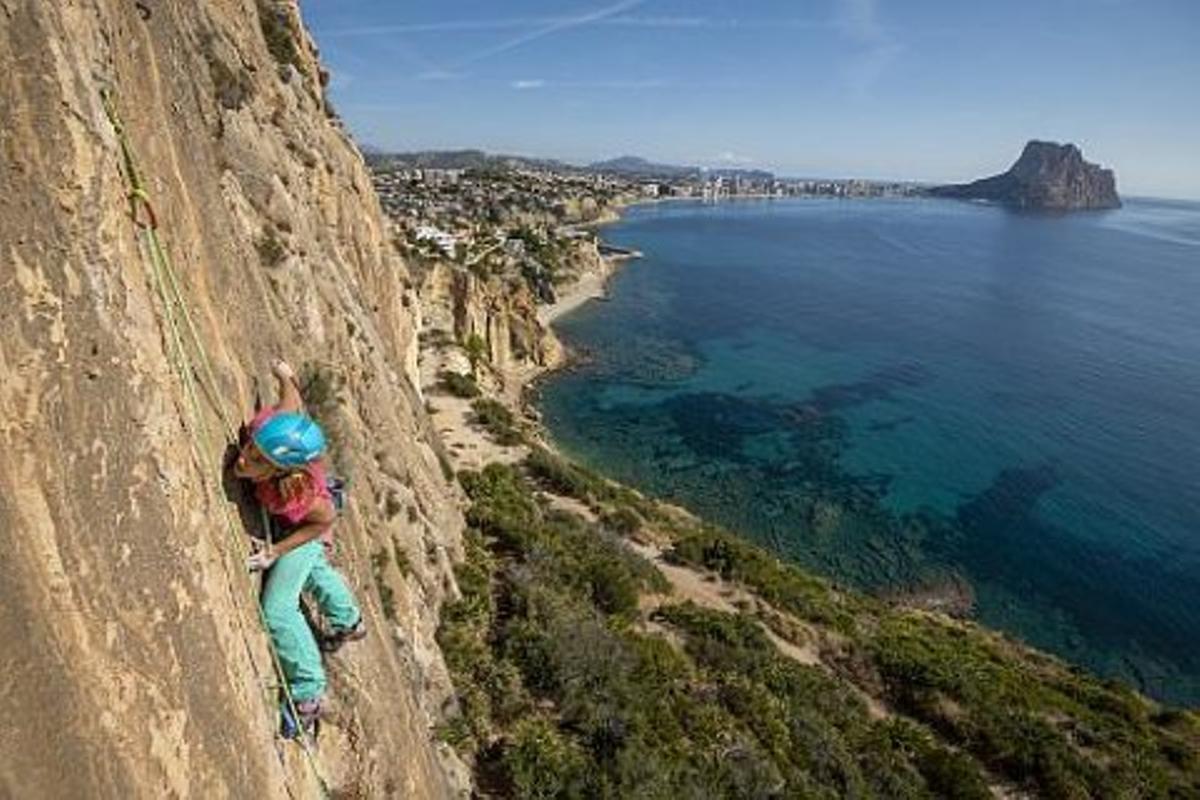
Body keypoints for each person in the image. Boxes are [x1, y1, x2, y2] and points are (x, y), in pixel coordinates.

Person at [234, 357, 365, 735]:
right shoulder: (269, 430)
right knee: (315, 571)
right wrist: (285, 375)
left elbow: (323, 522)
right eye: (251, 449)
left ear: (279, 471)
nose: (244, 458)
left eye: (258, 460)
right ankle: (347, 618)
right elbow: (292, 404)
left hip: (307, 529)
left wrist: (275, 551)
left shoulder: (296, 496)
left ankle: (308, 690)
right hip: (303, 520)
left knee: (277, 609)